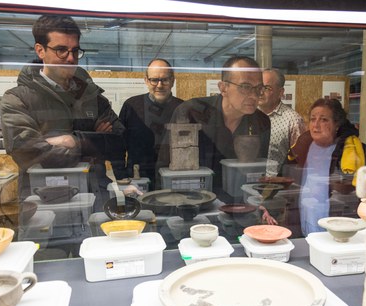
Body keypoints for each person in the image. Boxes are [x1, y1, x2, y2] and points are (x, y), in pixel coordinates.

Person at [0, 15, 126, 204]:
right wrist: (91, 141)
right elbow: (26, 151)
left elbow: (118, 141)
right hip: (45, 198)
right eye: (61, 50)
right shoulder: (18, 99)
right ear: (40, 50)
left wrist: (71, 141)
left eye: (75, 51)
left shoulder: (92, 97)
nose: (70, 58)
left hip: (96, 193)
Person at [161, 56, 271, 199]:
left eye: (259, 88)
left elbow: (256, 173)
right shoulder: (191, 113)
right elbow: (164, 166)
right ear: (223, 88)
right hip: (193, 201)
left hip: (241, 202)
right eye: (245, 87)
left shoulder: (261, 122)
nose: (253, 96)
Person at [289, 98, 365, 236]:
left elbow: (354, 188)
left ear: (337, 124)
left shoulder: (347, 149)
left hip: (335, 217)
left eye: (323, 120)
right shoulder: (304, 144)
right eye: (313, 119)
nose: (316, 125)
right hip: (305, 211)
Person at [119, 58, 183, 190]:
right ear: (146, 81)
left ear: (172, 81)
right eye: (154, 80)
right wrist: (122, 177)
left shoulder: (183, 108)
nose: (159, 85)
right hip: (138, 181)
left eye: (165, 79)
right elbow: (118, 147)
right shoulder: (131, 106)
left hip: (174, 180)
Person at [258, 68, 305, 176]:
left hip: (277, 185)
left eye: (266, 88)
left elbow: (299, 160)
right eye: (259, 87)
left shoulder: (293, 120)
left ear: (280, 92)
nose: (260, 92)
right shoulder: (249, 115)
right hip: (249, 181)